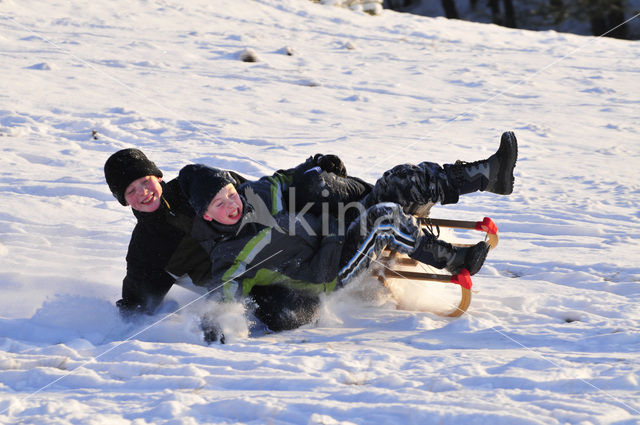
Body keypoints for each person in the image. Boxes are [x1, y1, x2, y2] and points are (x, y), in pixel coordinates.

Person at [177, 131, 518, 337]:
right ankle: (454, 259)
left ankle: (488, 175)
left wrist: (316, 165)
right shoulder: (229, 252)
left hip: (341, 227)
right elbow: (224, 295)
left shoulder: (256, 193)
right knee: (383, 218)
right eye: (219, 204)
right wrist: (216, 327)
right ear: (207, 214)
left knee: (396, 181)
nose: (230, 204)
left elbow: (286, 180)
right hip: (330, 270)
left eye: (229, 194)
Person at [103, 148, 354, 320]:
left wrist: (310, 168)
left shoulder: (195, 186)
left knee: (317, 191)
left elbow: (256, 191)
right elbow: (137, 302)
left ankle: (371, 215)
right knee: (283, 313)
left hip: (286, 236)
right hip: (255, 281)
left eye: (145, 182)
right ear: (124, 201)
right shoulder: (146, 247)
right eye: (131, 191)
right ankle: (344, 290)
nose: (143, 192)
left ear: (157, 176)